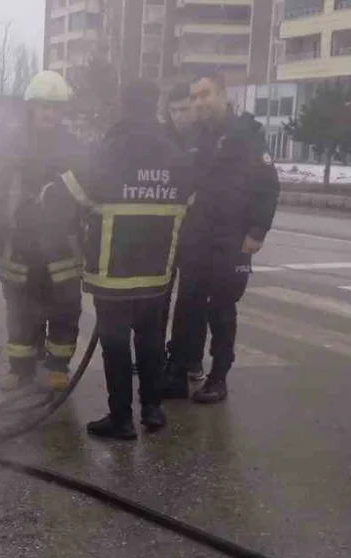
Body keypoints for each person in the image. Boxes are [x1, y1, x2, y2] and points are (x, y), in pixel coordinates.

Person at [40, 79, 193, 439]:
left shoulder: (108, 152)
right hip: (158, 272)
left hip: (113, 273)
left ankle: (121, 418)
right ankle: (153, 408)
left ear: (123, 106)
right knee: (152, 338)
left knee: (115, 342)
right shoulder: (175, 154)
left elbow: (58, 197)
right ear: (154, 106)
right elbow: (189, 202)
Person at [162, 72, 280, 404]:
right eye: (195, 97)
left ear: (223, 95)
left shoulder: (247, 135)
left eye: (205, 95)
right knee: (188, 305)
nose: (199, 102)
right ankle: (181, 369)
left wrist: (257, 233)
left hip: (232, 238)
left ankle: (219, 376)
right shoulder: (195, 136)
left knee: (222, 309)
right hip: (197, 236)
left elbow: (267, 187)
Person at [0, 71, 86, 392]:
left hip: (62, 242)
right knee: (20, 305)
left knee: (64, 304)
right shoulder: (12, 144)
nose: (50, 113)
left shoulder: (74, 147)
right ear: (31, 107)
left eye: (56, 107)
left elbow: (86, 192)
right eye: (44, 106)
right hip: (20, 241)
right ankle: (20, 367)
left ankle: (58, 364)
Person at [159, 81, 204, 382]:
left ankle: (190, 359)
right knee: (158, 296)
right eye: (173, 110)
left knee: (192, 299)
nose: (178, 116)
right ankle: (157, 354)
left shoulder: (206, 137)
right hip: (164, 230)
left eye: (184, 109)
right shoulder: (162, 138)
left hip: (197, 231)